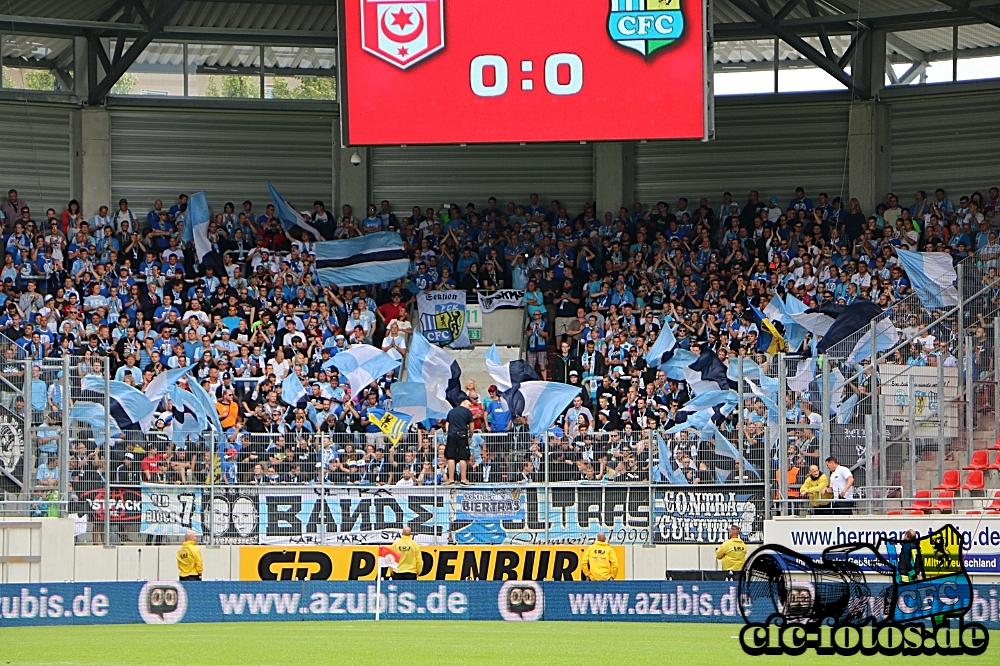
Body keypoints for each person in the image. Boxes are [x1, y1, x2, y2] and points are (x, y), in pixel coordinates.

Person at [444, 399, 473, 486]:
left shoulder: (451, 411)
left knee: (451, 457)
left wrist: (449, 433)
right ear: (464, 403)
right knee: (463, 457)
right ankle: (463, 480)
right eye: (469, 405)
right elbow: (472, 426)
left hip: (451, 435)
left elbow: (447, 424)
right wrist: (470, 435)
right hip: (462, 435)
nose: (470, 407)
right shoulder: (467, 412)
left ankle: (451, 479)